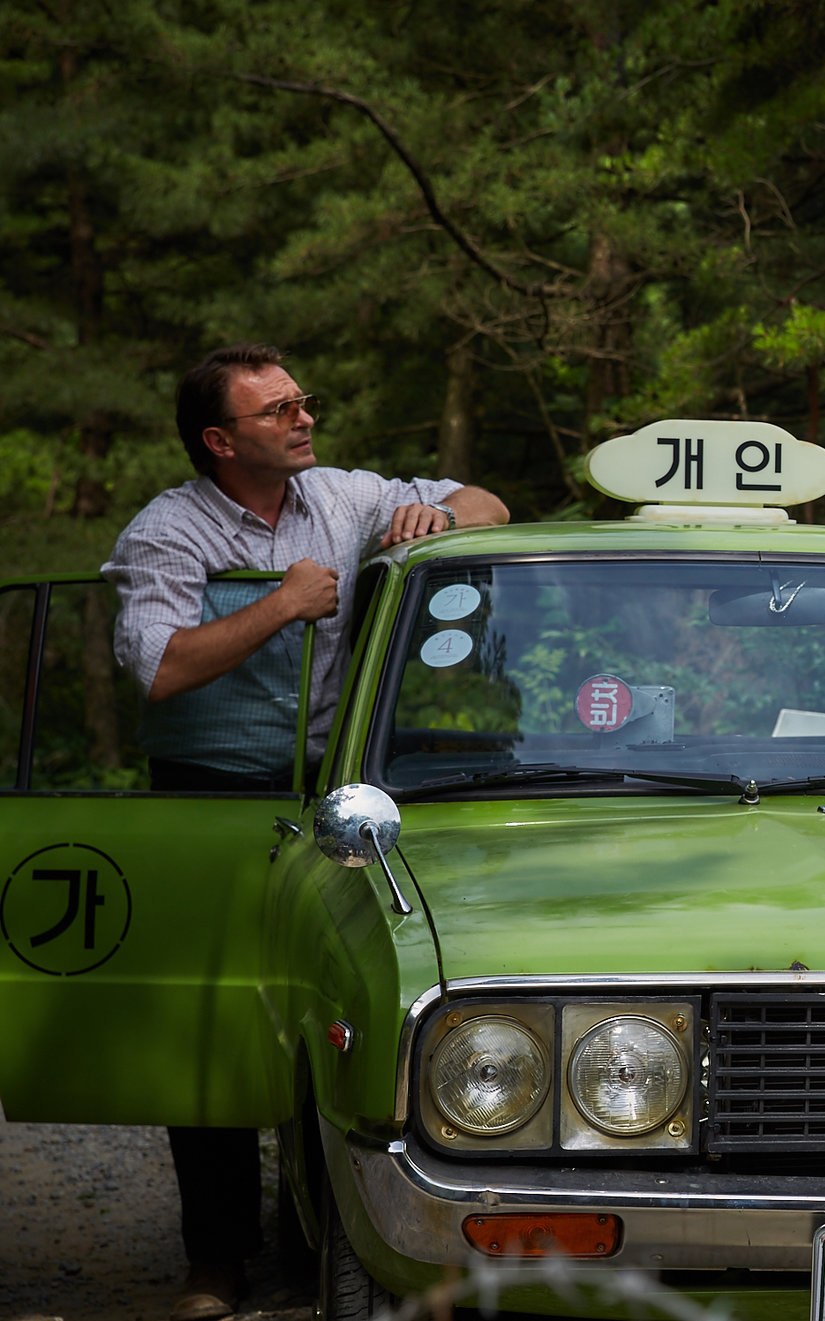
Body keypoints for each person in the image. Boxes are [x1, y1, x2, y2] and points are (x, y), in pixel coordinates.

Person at [101, 342, 508, 1320]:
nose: (303, 417)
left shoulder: (345, 494)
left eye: (302, 402)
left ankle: (317, 1233)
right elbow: (153, 666)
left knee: (334, 1018)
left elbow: (492, 504)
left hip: (339, 795)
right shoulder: (171, 530)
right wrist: (281, 604)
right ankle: (216, 1261)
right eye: (277, 410)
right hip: (207, 797)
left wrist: (436, 514)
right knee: (218, 1026)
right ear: (220, 439)